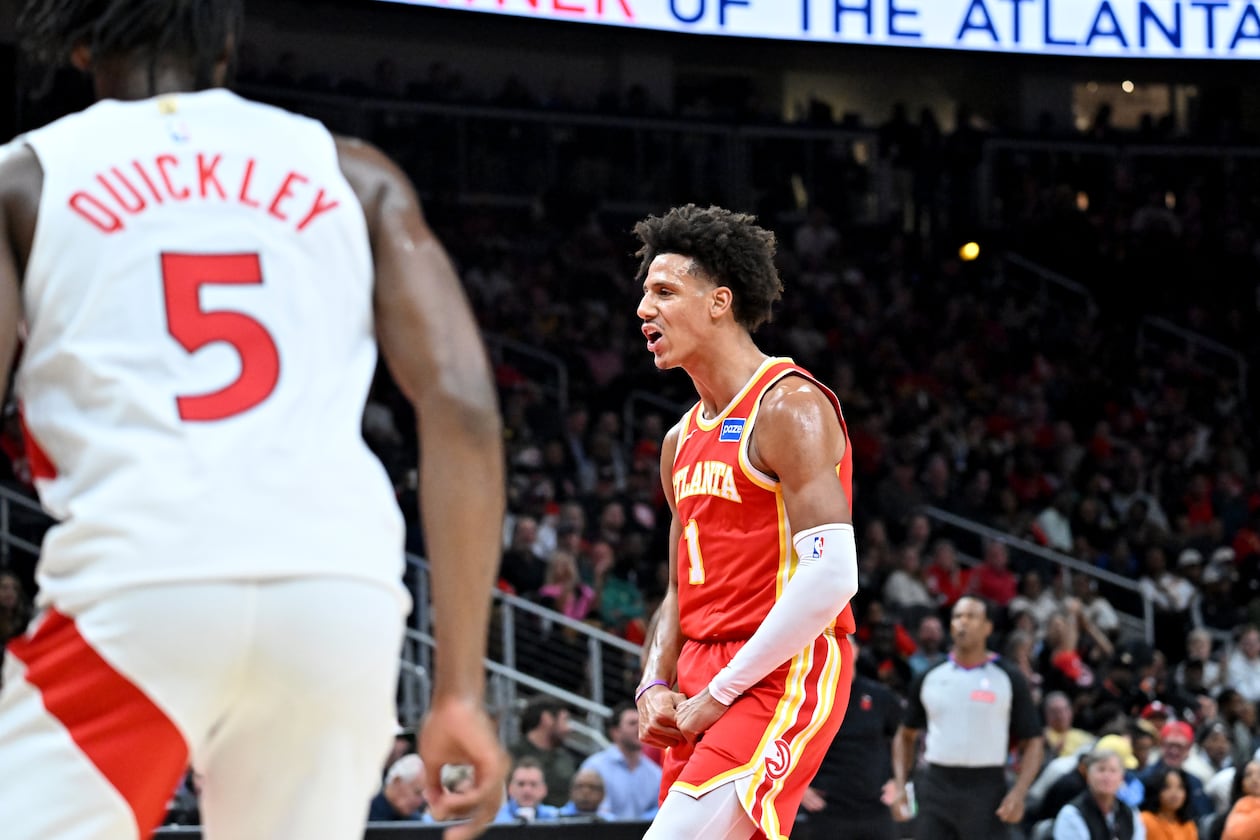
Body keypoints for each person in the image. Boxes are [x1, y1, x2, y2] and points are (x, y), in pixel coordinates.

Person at [0, 3, 507, 839]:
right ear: (229, 43)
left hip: (138, 587)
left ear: (81, 43)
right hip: (338, 596)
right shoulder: (354, 172)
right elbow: (463, 407)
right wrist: (457, 690)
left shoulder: (28, 176)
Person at [632, 204, 859, 840]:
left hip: (780, 668)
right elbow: (679, 589)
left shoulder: (789, 405)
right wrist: (652, 683)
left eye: (664, 292)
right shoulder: (680, 441)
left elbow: (833, 574)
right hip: (703, 671)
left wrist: (723, 692)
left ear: (719, 302)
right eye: (644, 294)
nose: (644, 309)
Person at [892, 596, 1044, 839]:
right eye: (957, 617)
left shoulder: (1008, 677)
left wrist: (1019, 792)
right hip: (935, 785)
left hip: (987, 788)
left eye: (971, 617)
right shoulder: (930, 675)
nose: (963, 622)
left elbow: (1034, 741)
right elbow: (905, 734)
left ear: (987, 627)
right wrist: (900, 784)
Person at [797, 639, 904, 840]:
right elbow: (787, 743)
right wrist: (798, 787)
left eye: (846, 644)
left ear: (856, 651)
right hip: (826, 810)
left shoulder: (880, 696)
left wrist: (899, 780)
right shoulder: (810, 697)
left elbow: (905, 738)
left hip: (876, 807)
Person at [579, 701, 663, 820]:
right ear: (615, 732)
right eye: (632, 723)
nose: (640, 728)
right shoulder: (594, 768)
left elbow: (660, 811)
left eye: (642, 722)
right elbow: (596, 814)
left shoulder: (655, 773)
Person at [1052, 746, 1147, 840]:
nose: (1107, 776)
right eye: (1101, 770)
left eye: (1113, 771)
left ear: (1121, 778)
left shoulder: (1131, 813)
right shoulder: (1072, 814)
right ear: (1088, 775)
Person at [508, 695, 580, 807]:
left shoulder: (566, 759)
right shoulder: (509, 757)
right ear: (547, 718)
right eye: (565, 720)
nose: (569, 728)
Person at [493, 756, 562, 824]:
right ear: (510, 789)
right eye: (521, 784)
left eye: (533, 784)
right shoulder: (495, 819)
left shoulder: (557, 817)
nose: (527, 790)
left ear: (544, 790)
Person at [1137, 766, 1198, 840]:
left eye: (1180, 787)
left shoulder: (1188, 825)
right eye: (1167, 787)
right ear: (1157, 790)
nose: (1175, 793)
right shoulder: (1144, 820)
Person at [369, 754, 428, 822]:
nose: (421, 801)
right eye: (417, 792)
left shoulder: (416, 823)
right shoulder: (363, 814)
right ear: (397, 782)